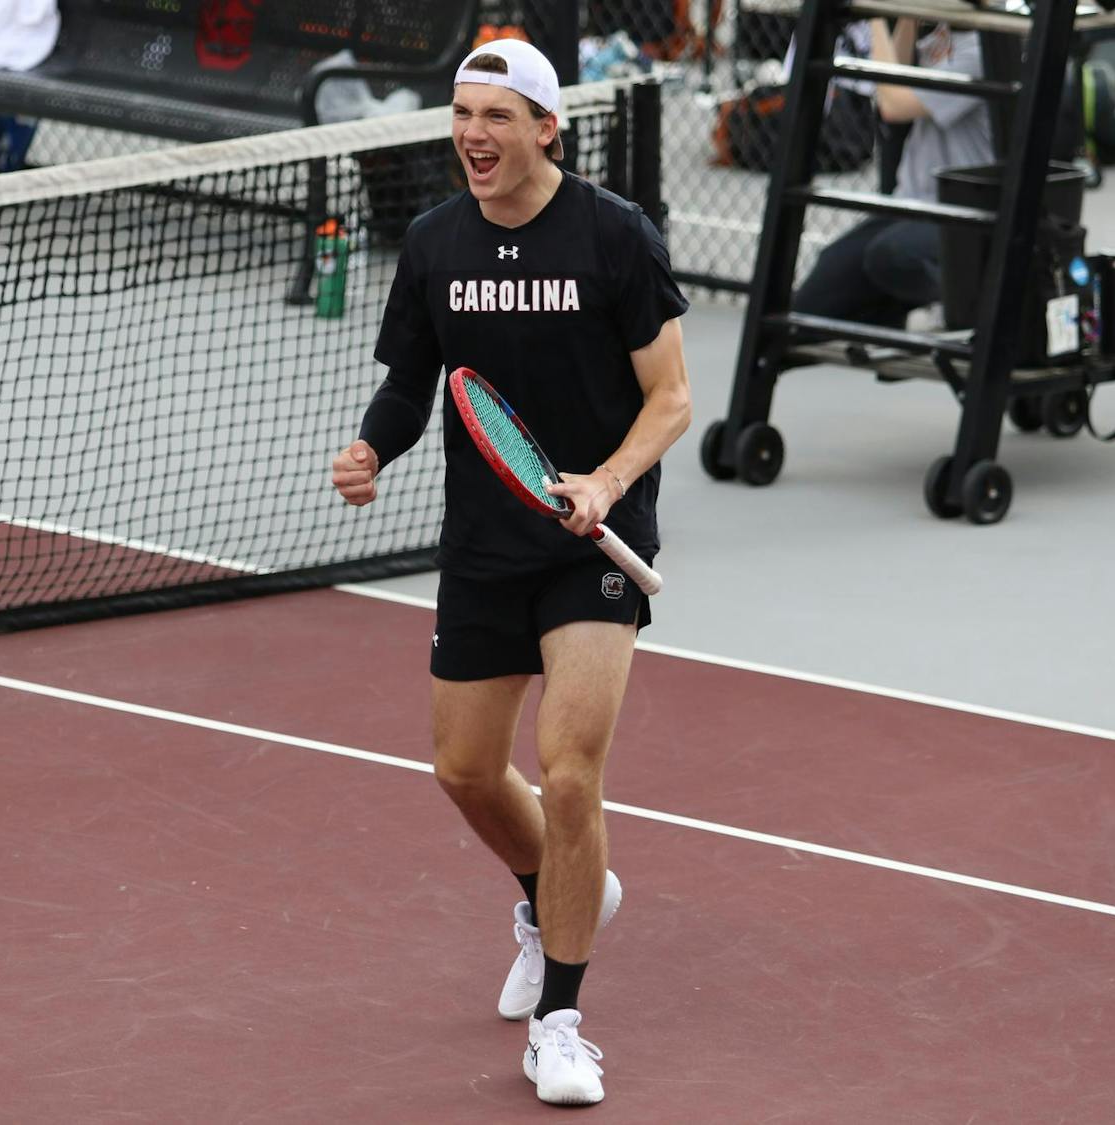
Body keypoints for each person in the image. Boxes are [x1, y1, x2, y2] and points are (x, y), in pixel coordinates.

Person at [329, 39, 691, 1107]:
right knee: (467, 772)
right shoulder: (436, 242)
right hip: (484, 547)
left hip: (590, 549)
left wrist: (609, 480)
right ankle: (554, 897)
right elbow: (412, 383)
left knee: (570, 774)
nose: (472, 136)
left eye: (496, 116)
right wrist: (370, 450)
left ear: (546, 130)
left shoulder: (614, 237)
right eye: (461, 115)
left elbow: (670, 396)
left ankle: (562, 1022)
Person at [792, 20, 995, 328]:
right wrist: (906, 16)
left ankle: (964, 311)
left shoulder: (986, 49)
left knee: (893, 256)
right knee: (811, 304)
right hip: (912, 201)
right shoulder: (947, 30)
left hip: (961, 209)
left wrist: (875, 20)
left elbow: (894, 105)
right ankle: (901, 319)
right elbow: (896, 72)